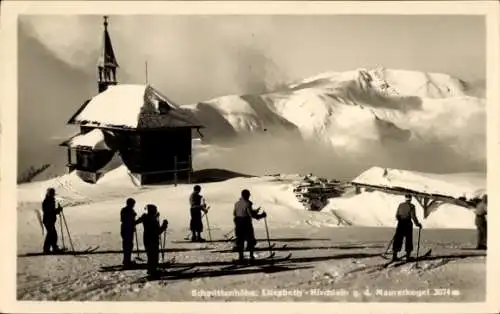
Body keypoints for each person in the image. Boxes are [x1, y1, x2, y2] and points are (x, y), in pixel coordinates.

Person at [233, 189, 267, 263]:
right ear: (246, 195)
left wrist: (254, 211)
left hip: (238, 223)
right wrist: (261, 215)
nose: (249, 196)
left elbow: (235, 213)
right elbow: (251, 215)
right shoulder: (248, 203)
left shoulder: (236, 203)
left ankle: (240, 257)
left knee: (240, 240)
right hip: (246, 224)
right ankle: (251, 256)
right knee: (250, 239)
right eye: (248, 195)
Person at [136, 204, 168, 278]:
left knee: (150, 255)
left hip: (147, 238)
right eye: (155, 210)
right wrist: (164, 225)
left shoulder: (146, 217)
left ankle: (151, 269)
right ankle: (152, 271)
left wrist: (155, 217)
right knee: (153, 255)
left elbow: (142, 220)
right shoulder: (152, 219)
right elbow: (157, 231)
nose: (156, 211)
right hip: (152, 239)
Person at [392, 194, 422, 261]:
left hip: (400, 224)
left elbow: (397, 215)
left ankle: (394, 255)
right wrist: (418, 224)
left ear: (405, 198)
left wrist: (400, 220)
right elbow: (413, 217)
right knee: (408, 240)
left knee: (398, 239)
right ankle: (408, 257)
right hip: (407, 225)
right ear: (411, 199)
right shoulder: (412, 206)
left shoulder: (401, 205)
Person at [42, 188, 63, 254]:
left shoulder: (50, 200)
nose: (53, 194)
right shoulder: (47, 201)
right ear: (49, 193)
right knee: (50, 234)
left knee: (53, 234)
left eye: (53, 193)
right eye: (52, 193)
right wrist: (57, 210)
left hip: (50, 220)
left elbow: (52, 211)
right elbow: (49, 211)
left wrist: (58, 210)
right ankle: (46, 249)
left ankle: (54, 248)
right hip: (48, 220)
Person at [120, 198, 138, 268]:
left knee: (128, 245)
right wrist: (133, 216)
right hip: (127, 229)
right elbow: (127, 220)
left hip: (126, 229)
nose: (133, 205)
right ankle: (127, 261)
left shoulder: (126, 210)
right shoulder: (127, 210)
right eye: (133, 204)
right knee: (128, 245)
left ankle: (127, 260)